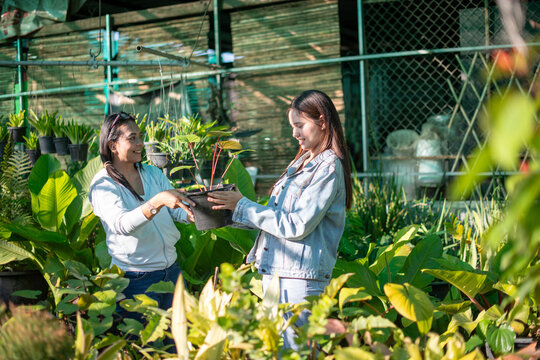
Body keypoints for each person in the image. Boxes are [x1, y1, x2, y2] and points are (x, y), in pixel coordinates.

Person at [207, 90, 353, 351]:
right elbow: (276, 220)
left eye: (300, 125)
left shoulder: (328, 167)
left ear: (322, 120)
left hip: (300, 281)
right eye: (292, 127)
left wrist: (242, 205)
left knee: (299, 354)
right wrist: (225, 210)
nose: (295, 133)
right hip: (275, 276)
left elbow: (295, 225)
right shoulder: (301, 163)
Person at [89, 111, 196, 318]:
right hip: (135, 280)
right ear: (113, 146)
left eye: (140, 136)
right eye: (132, 138)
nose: (140, 143)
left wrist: (193, 214)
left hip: (172, 273)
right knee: (142, 344)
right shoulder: (103, 184)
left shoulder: (152, 173)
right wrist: (157, 201)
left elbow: (175, 211)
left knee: (174, 344)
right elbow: (121, 225)